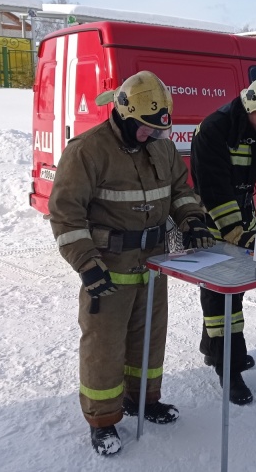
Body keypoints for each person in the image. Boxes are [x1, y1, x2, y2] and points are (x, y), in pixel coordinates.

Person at [49, 70, 215, 456]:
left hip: (154, 263)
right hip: (108, 267)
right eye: (145, 129)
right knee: (104, 345)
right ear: (124, 116)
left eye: (158, 130)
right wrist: (87, 263)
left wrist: (192, 220)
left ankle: (144, 400)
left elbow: (180, 191)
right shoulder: (87, 150)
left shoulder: (161, 147)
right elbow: (65, 214)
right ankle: (103, 419)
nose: (152, 136)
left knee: (149, 339)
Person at [190, 75, 256, 405]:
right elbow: (214, 190)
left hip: (243, 215)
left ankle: (213, 348)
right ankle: (229, 369)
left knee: (236, 292)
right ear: (251, 106)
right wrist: (235, 232)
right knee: (222, 298)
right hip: (213, 220)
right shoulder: (213, 130)